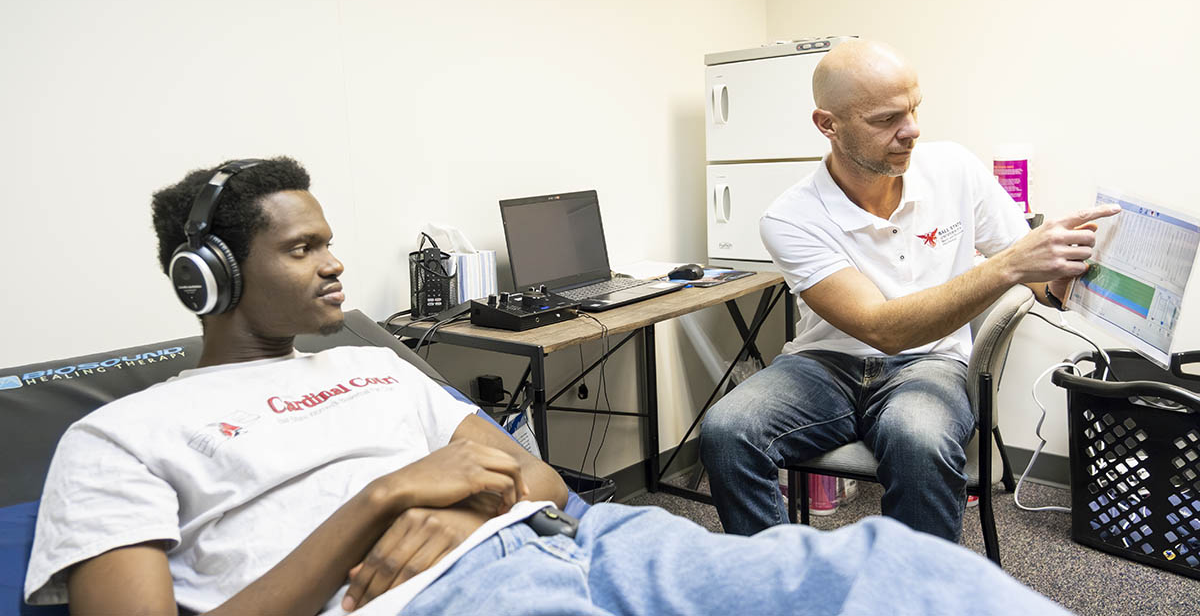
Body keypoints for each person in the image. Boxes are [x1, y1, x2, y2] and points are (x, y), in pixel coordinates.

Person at [25, 157, 1069, 615]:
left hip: (597, 545)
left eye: (334, 242)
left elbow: (544, 486)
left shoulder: (367, 361)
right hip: (447, 601)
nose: (337, 268)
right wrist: (386, 498)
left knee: (885, 568)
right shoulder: (118, 439)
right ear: (204, 277)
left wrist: (466, 493)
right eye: (304, 250)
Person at [700, 39, 1120, 541]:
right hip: (824, 365)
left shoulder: (953, 170)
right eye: (886, 119)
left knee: (917, 437)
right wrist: (1009, 263)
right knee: (727, 430)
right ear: (827, 125)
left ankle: (917, 595)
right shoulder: (791, 216)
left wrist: (1076, 261)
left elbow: (1034, 275)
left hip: (931, 364)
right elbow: (882, 328)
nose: (912, 130)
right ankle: (781, 584)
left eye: (914, 108)